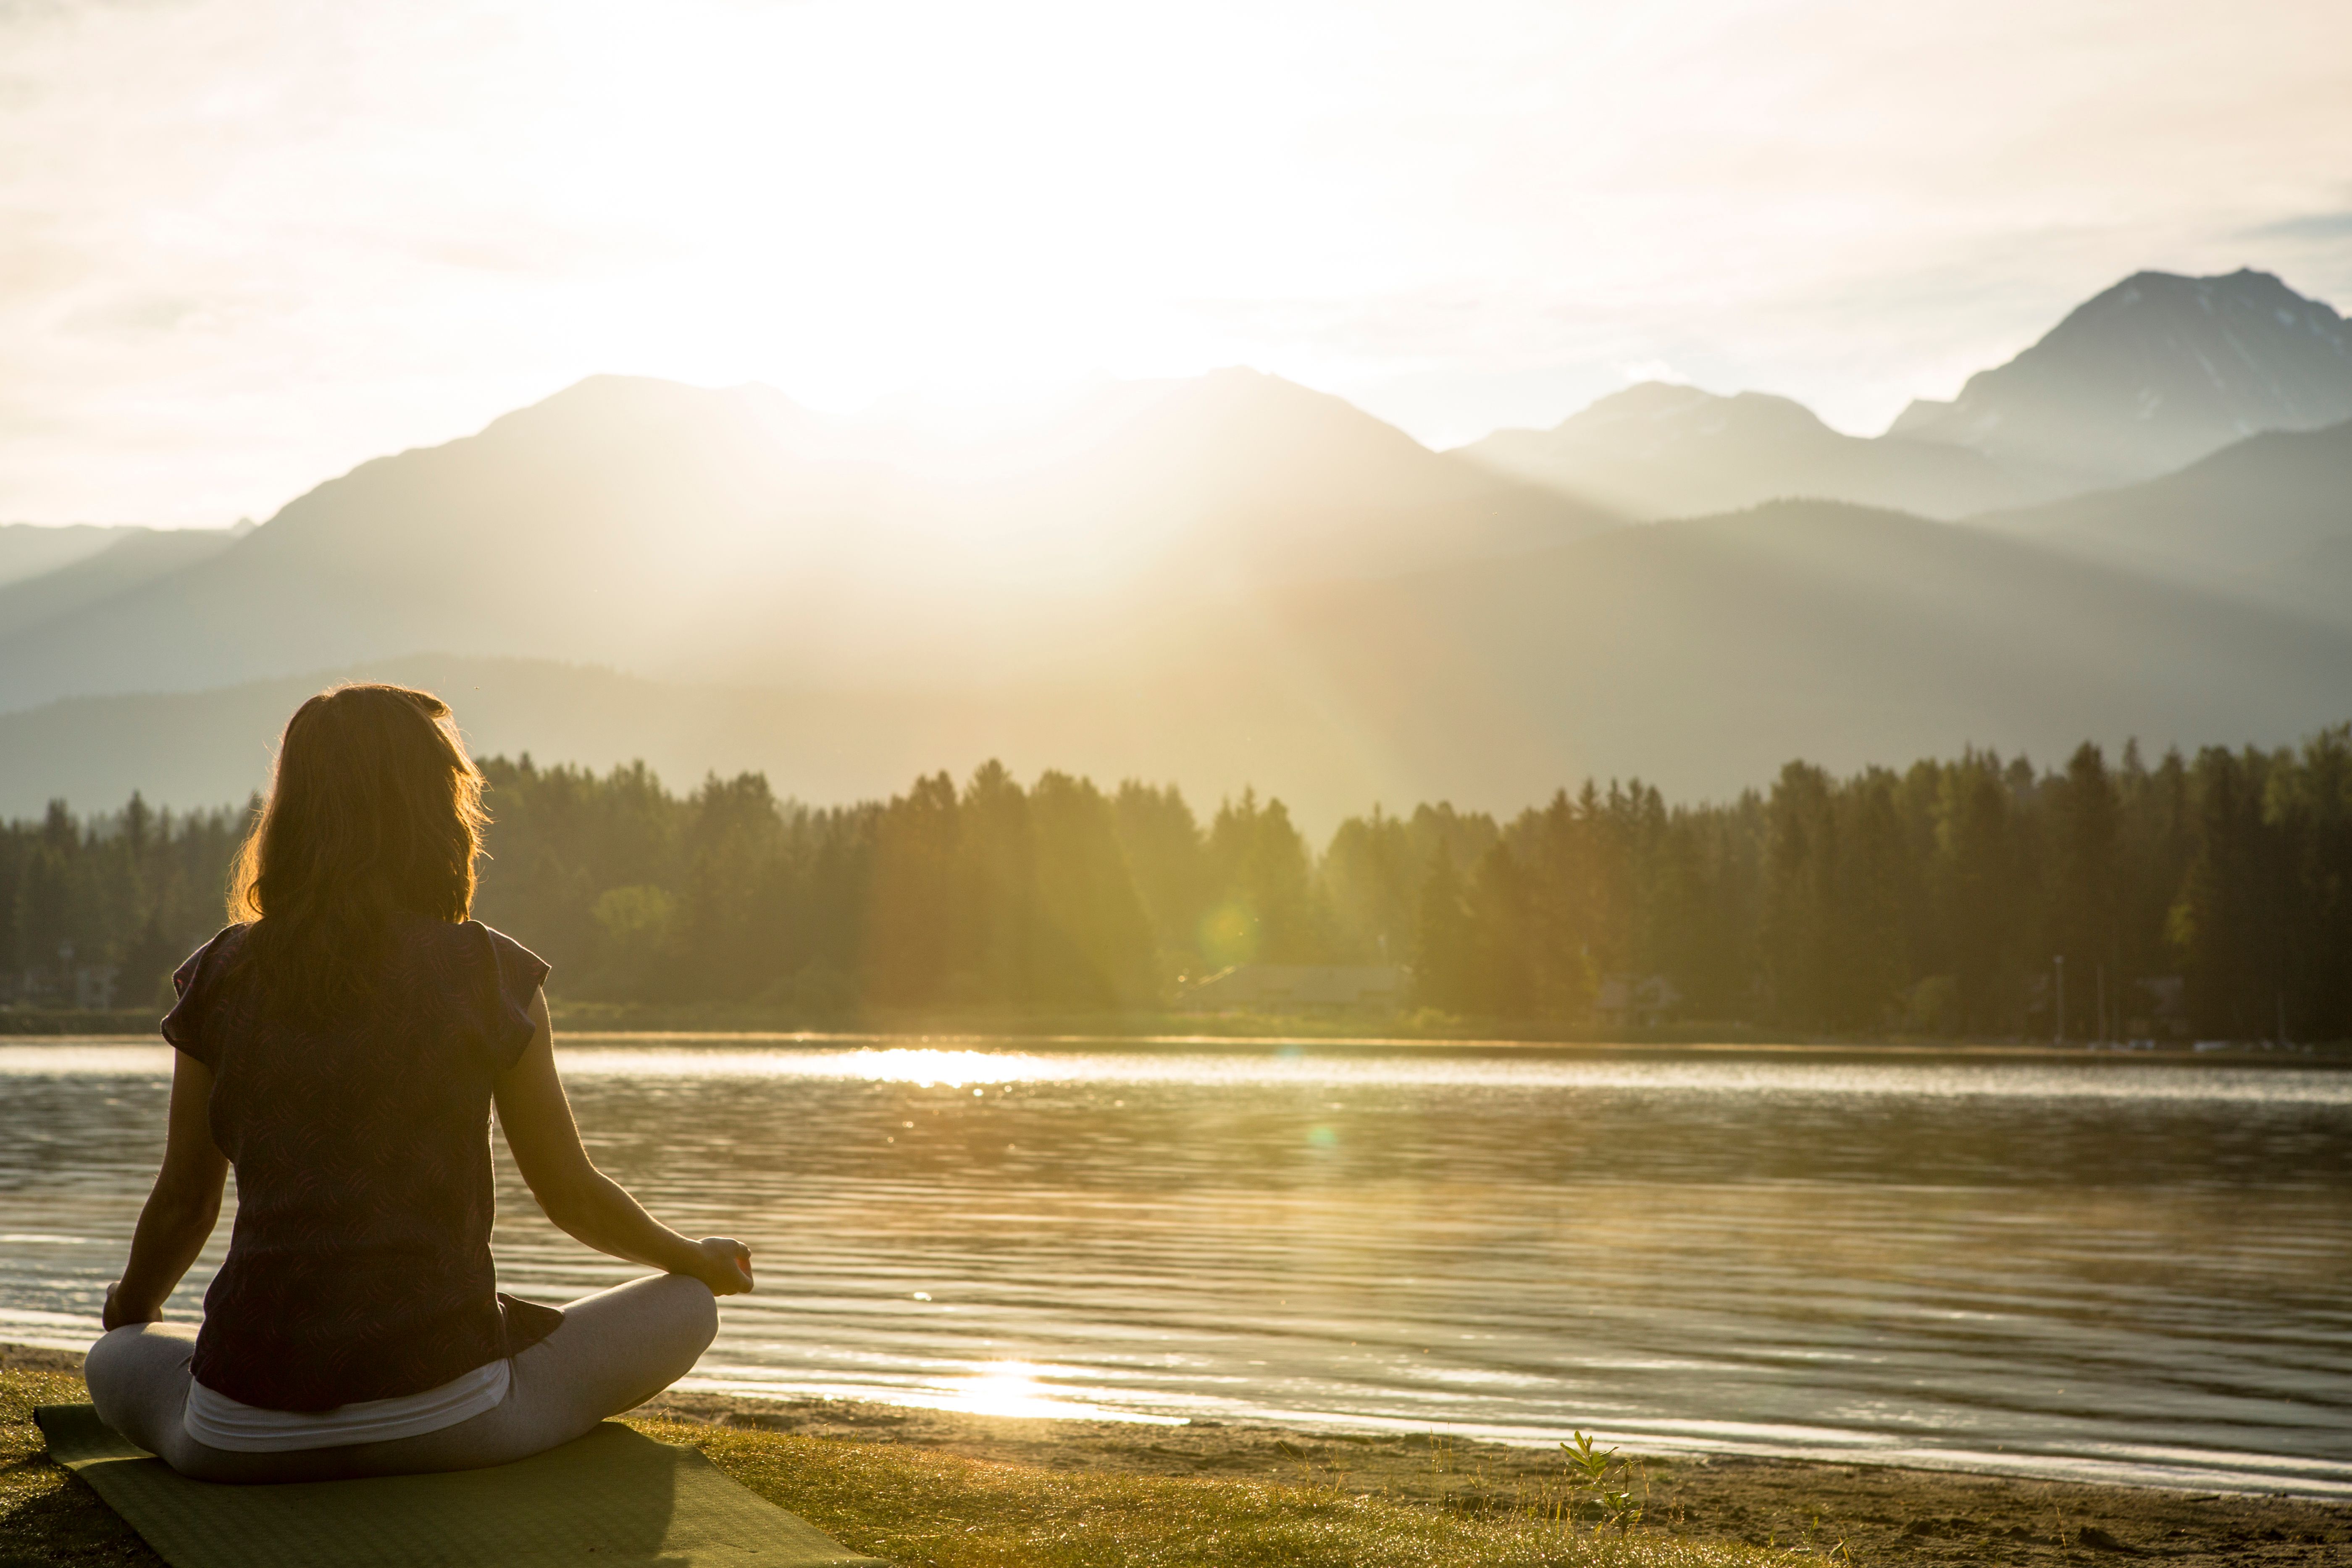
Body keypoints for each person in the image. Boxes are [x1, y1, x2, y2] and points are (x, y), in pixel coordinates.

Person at [84, 683, 753, 1483]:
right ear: (437, 809)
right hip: (453, 1417)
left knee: (115, 1355)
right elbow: (571, 1194)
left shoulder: (221, 975)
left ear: (293, 811)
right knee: (688, 1306)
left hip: (237, 1436)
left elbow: (185, 1202)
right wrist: (696, 1258)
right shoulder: (489, 973)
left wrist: (132, 1306)